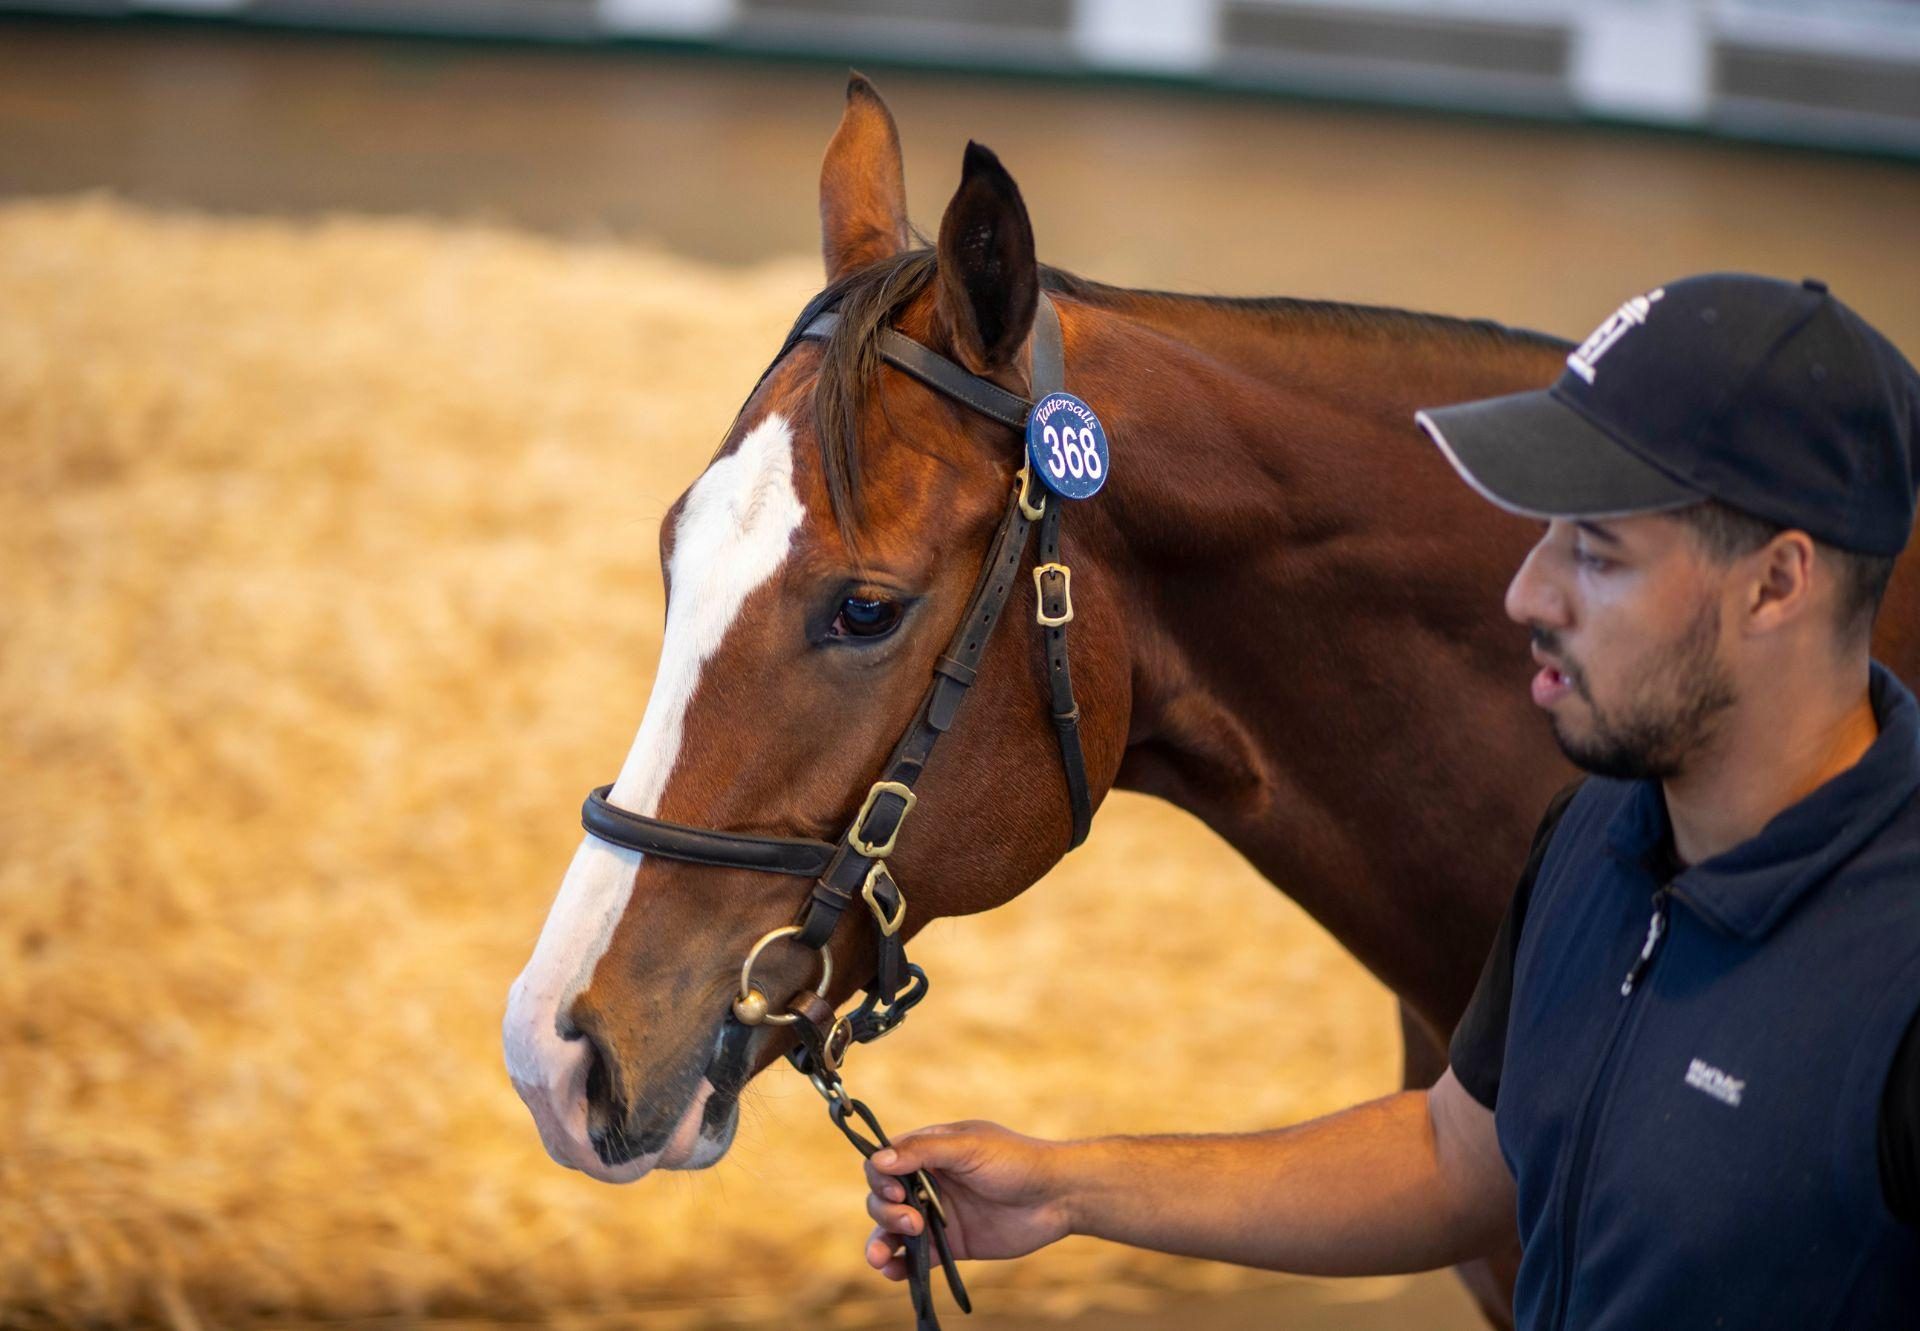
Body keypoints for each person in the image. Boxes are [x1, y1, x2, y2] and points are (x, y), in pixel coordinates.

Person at [859, 273, 1920, 1326]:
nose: (1526, 594)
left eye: (1595, 552)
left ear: (1777, 584)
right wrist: (1066, 1186)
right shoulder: (1599, 832)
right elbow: (1458, 1152)